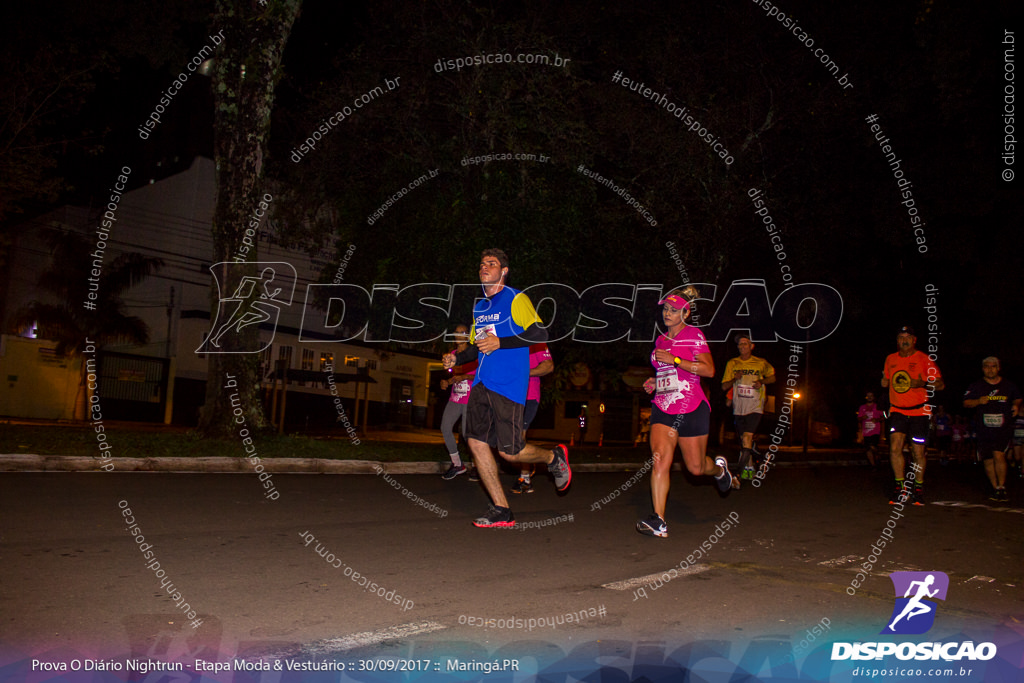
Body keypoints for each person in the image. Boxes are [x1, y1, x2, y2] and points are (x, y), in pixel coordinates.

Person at [443, 249, 571, 528]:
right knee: (474, 441)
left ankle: (553, 456)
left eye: (491, 264)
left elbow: (539, 333)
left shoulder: (516, 298)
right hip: (482, 382)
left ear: (504, 271)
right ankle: (502, 509)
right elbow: (479, 346)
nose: (484, 268)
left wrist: (501, 342)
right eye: (481, 264)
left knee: (510, 452)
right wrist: (458, 357)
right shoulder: (481, 307)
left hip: (509, 385)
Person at [636, 288, 736, 539]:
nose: (667, 314)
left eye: (673, 310)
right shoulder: (661, 340)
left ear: (685, 313)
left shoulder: (694, 335)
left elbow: (709, 371)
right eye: (665, 309)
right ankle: (658, 520)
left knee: (696, 467)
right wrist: (655, 382)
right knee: (659, 458)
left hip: (691, 406)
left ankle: (720, 470)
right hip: (664, 405)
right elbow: (668, 374)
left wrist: (675, 360)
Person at [881, 325, 944, 506]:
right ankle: (900, 488)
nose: (904, 340)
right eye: (901, 337)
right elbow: (886, 381)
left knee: (918, 452)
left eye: (908, 337)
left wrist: (922, 383)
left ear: (914, 340)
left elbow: (940, 384)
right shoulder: (890, 359)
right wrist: (884, 381)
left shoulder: (924, 359)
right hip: (897, 410)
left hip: (919, 411)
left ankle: (918, 487)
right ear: (897, 340)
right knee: (894, 448)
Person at [962, 357, 1021, 502]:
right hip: (984, 428)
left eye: (993, 366)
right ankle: (995, 488)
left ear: (998, 368)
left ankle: (1002, 487)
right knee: (988, 459)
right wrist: (978, 401)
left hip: (1002, 427)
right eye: (987, 367)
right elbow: (966, 402)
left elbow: (1018, 397)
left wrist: (1016, 405)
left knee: (999, 455)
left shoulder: (1008, 385)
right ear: (983, 369)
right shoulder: (976, 386)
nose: (990, 369)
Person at [721, 334, 776, 479]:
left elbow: (773, 377)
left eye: (745, 344)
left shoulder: (761, 363)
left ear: (752, 346)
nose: (742, 346)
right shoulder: (732, 363)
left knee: (746, 437)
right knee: (744, 441)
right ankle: (751, 465)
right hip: (739, 408)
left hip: (755, 406)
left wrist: (762, 382)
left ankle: (737, 475)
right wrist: (735, 378)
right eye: (740, 344)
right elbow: (724, 386)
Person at [511, 342, 555, 494]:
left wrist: (525, 372)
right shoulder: (506, 341)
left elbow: (548, 365)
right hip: (508, 397)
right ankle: (530, 464)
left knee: (519, 438)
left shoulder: (536, 343)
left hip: (528, 397)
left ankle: (525, 479)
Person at [439, 324, 477, 479]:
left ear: (468, 335)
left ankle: (477, 466)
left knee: (469, 435)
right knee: (445, 428)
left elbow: (483, 376)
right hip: (455, 398)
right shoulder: (453, 354)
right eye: (455, 332)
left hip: (471, 399)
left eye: (462, 332)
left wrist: (466, 377)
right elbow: (455, 377)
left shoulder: (475, 353)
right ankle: (457, 464)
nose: (458, 335)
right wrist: (447, 382)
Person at [857, 391, 884, 467]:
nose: (869, 397)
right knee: (868, 449)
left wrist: (877, 420)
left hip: (875, 431)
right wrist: (862, 418)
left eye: (871, 396)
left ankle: (877, 456)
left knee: (873, 447)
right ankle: (873, 465)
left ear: (874, 397)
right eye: (868, 396)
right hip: (866, 432)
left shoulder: (877, 407)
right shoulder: (862, 407)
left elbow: (884, 417)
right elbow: (858, 419)